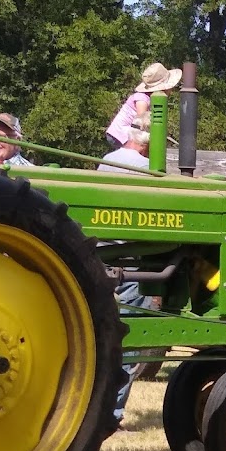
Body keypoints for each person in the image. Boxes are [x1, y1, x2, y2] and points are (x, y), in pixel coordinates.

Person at [97, 115, 159, 430]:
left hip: (100, 255)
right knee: (132, 342)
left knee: (99, 337)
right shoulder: (148, 168)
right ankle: (112, 415)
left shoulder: (106, 161)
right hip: (134, 262)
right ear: (150, 141)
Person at [105, 62, 182, 150]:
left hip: (124, 134)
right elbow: (142, 122)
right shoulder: (142, 99)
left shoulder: (149, 98)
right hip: (120, 134)